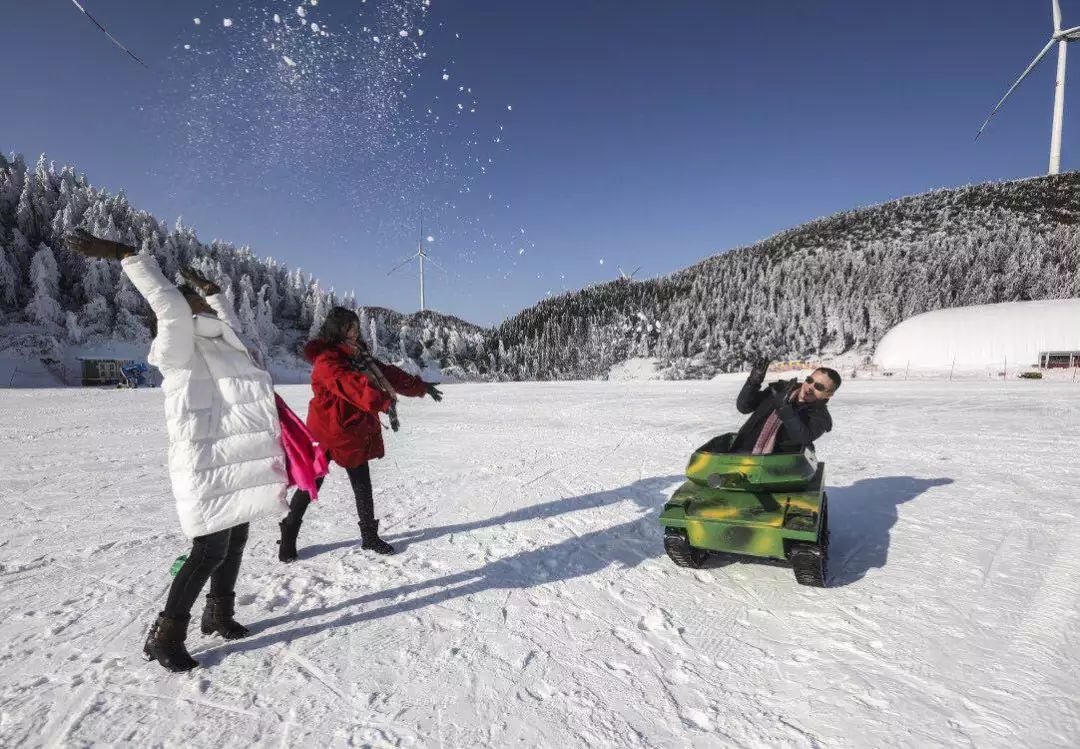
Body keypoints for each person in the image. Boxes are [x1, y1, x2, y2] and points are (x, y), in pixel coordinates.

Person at [65, 230, 289, 673]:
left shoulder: (218, 343)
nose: (202, 307)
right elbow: (167, 306)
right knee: (208, 549)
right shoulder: (176, 347)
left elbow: (235, 330)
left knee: (236, 536)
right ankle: (165, 635)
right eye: (195, 303)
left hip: (234, 456)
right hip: (204, 461)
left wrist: (214, 293)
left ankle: (218, 612)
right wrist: (129, 257)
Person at [277, 307, 444, 561]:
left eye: (356, 327)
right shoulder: (327, 361)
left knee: (361, 482)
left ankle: (369, 536)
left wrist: (420, 386)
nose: (355, 333)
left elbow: (386, 373)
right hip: (328, 430)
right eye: (349, 328)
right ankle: (289, 530)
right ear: (337, 331)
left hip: (351, 428)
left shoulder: (359, 355)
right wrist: (382, 402)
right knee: (312, 481)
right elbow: (351, 385)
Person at [730, 361, 841, 454]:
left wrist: (785, 409)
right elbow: (744, 407)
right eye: (810, 380)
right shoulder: (781, 389)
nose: (810, 387)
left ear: (828, 394)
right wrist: (753, 382)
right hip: (739, 451)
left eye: (819, 386)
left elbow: (802, 438)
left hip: (774, 468)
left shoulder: (820, 417)